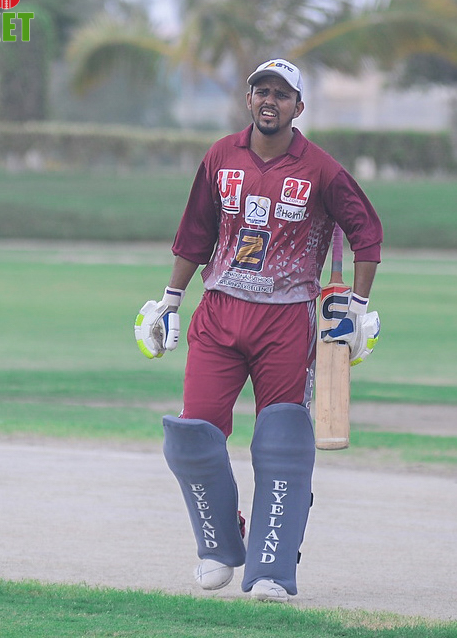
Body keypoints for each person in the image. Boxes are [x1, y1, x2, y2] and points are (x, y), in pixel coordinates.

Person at [134, 58, 383, 603]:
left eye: (281, 94)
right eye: (261, 91)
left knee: (282, 442)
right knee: (194, 434)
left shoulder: (320, 169)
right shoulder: (221, 155)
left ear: (299, 106)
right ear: (249, 100)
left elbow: (367, 233)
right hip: (219, 310)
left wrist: (358, 308)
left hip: (287, 319)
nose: (270, 101)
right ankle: (220, 545)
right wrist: (170, 299)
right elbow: (195, 233)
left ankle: (272, 566)